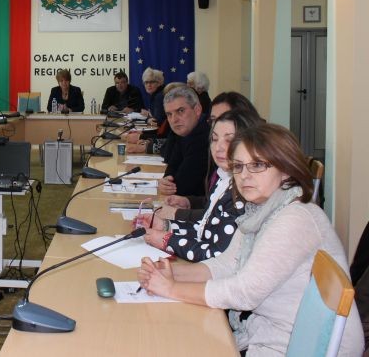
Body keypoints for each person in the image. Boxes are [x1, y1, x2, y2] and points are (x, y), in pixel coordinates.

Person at [138, 123, 364, 356]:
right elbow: (227, 264)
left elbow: (244, 292)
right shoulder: (259, 210)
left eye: (257, 165)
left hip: (301, 345)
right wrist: (168, 273)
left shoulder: (296, 218)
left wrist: (172, 289)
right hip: (272, 333)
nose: (244, 176)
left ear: (286, 169)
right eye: (238, 166)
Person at [143, 110, 261, 261]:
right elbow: (205, 230)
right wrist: (167, 226)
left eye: (229, 140)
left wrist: (167, 240)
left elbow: (217, 254)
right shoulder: (223, 180)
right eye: (214, 139)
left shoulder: (242, 192)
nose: (218, 147)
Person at [158, 86, 209, 197]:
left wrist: (168, 185)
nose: (174, 120)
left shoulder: (204, 137)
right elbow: (172, 165)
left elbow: (182, 187)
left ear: (197, 110)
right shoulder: (185, 132)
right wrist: (165, 181)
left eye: (180, 111)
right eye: (169, 114)